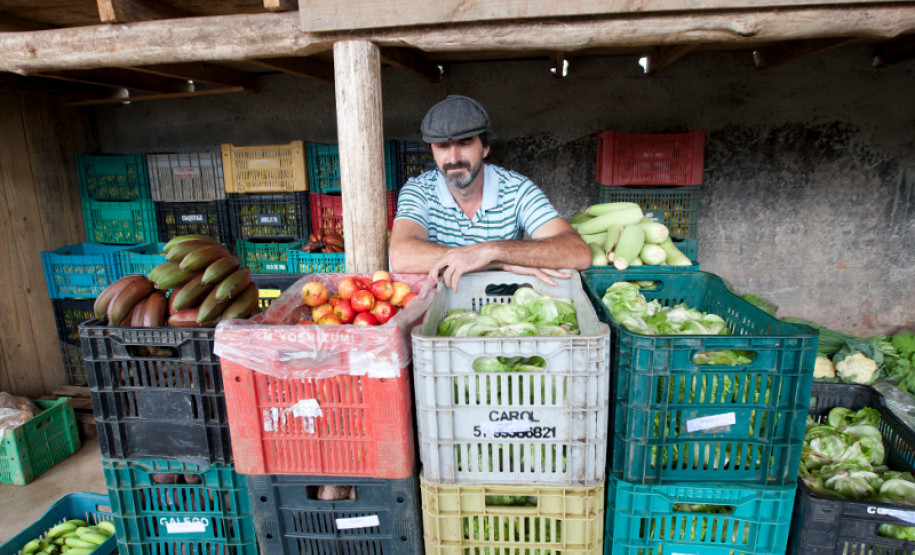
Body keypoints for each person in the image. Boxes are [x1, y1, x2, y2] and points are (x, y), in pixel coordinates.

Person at [389, 95, 591, 291]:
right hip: (437, 306)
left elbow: (577, 252)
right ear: (432, 152)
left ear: (485, 148)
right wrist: (494, 262)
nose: (453, 158)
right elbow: (401, 256)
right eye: (442, 147)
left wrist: (492, 251)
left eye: (465, 143)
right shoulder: (419, 190)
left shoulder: (517, 189)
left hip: (500, 311)